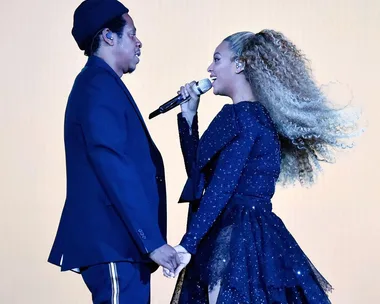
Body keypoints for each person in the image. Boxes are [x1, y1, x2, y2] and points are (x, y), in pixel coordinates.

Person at [167, 30, 361, 303]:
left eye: (217, 59)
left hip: (235, 237)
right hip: (253, 236)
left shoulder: (243, 118)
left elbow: (220, 188)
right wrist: (188, 117)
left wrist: (188, 245)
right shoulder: (258, 118)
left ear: (240, 64)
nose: (210, 68)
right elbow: (201, 178)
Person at [47, 1, 179, 303]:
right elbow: (113, 166)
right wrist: (152, 241)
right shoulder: (97, 86)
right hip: (115, 244)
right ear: (108, 36)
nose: (138, 42)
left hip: (123, 248)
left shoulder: (102, 84)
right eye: (131, 33)